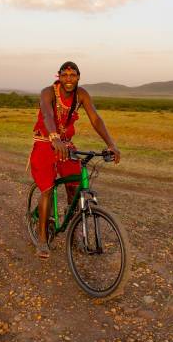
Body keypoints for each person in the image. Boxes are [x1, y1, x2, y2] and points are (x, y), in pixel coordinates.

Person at [30, 61, 121, 258]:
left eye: (73, 75)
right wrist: (54, 137)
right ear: (59, 76)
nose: (68, 79)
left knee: (75, 186)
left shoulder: (82, 94)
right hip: (45, 141)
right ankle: (42, 239)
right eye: (65, 75)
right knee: (46, 189)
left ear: (79, 77)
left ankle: (75, 233)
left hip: (66, 144)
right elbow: (46, 114)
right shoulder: (48, 92)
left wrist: (111, 144)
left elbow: (95, 118)